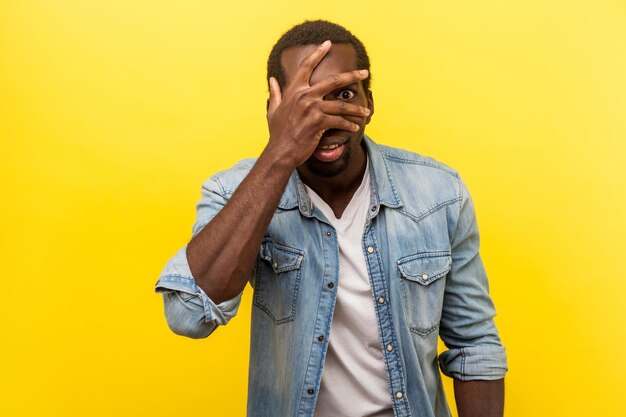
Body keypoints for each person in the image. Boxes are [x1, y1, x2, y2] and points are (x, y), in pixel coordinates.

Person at [155, 20, 507, 417]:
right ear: (276, 110)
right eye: (306, 102)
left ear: (369, 104)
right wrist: (279, 153)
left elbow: (474, 345)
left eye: (343, 95)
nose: (328, 119)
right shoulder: (232, 191)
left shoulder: (439, 193)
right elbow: (188, 315)